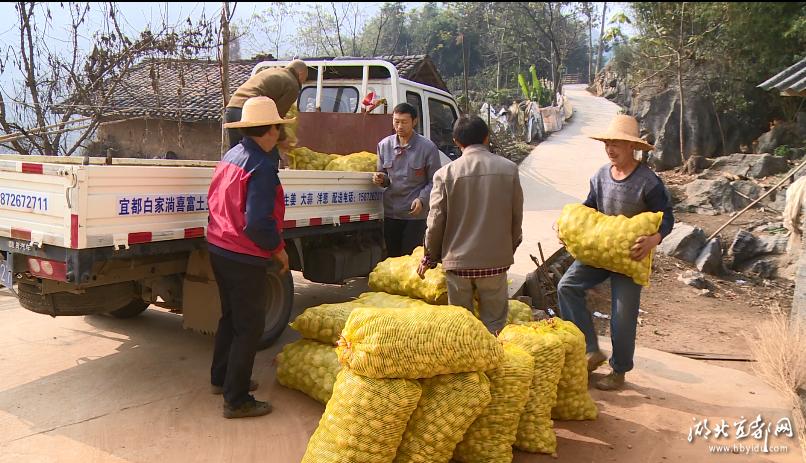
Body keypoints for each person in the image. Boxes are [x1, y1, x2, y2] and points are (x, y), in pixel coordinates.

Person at [557, 114, 674, 391]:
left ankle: (619, 371)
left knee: (622, 315)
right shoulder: (600, 176)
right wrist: (567, 226)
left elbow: (667, 217)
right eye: (607, 143)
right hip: (599, 252)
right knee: (566, 286)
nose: (610, 149)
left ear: (632, 146)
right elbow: (589, 207)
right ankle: (589, 350)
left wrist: (654, 239)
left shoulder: (648, 182)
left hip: (630, 257)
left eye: (616, 144)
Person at [206, 96, 292, 418]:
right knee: (250, 327)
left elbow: (214, 200)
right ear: (269, 131)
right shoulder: (263, 166)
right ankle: (237, 399)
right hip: (243, 254)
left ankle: (222, 379)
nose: (279, 134)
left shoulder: (232, 155)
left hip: (219, 246)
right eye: (278, 129)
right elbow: (257, 223)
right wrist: (278, 249)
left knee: (230, 318)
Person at [417, 115, 523, 334]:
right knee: (495, 325)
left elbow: (435, 221)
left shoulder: (445, 174)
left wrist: (430, 256)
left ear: (456, 141)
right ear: (486, 137)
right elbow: (516, 217)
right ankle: (494, 355)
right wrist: (508, 249)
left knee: (461, 328)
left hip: (458, 265)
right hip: (495, 262)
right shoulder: (509, 169)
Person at [372, 102, 441, 257]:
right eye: (396, 121)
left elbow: (435, 181)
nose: (399, 126)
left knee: (410, 258)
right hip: (391, 213)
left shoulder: (428, 148)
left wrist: (422, 199)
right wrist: (381, 178)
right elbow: (384, 176)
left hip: (415, 215)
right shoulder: (384, 145)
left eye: (404, 122)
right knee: (392, 258)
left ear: (414, 122)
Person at [225, 59, 308, 149]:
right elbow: (277, 117)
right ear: (301, 74)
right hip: (253, 112)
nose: (302, 82)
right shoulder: (293, 84)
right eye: (305, 79)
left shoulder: (274, 71)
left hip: (232, 108)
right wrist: (282, 139)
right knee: (265, 150)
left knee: (237, 150)